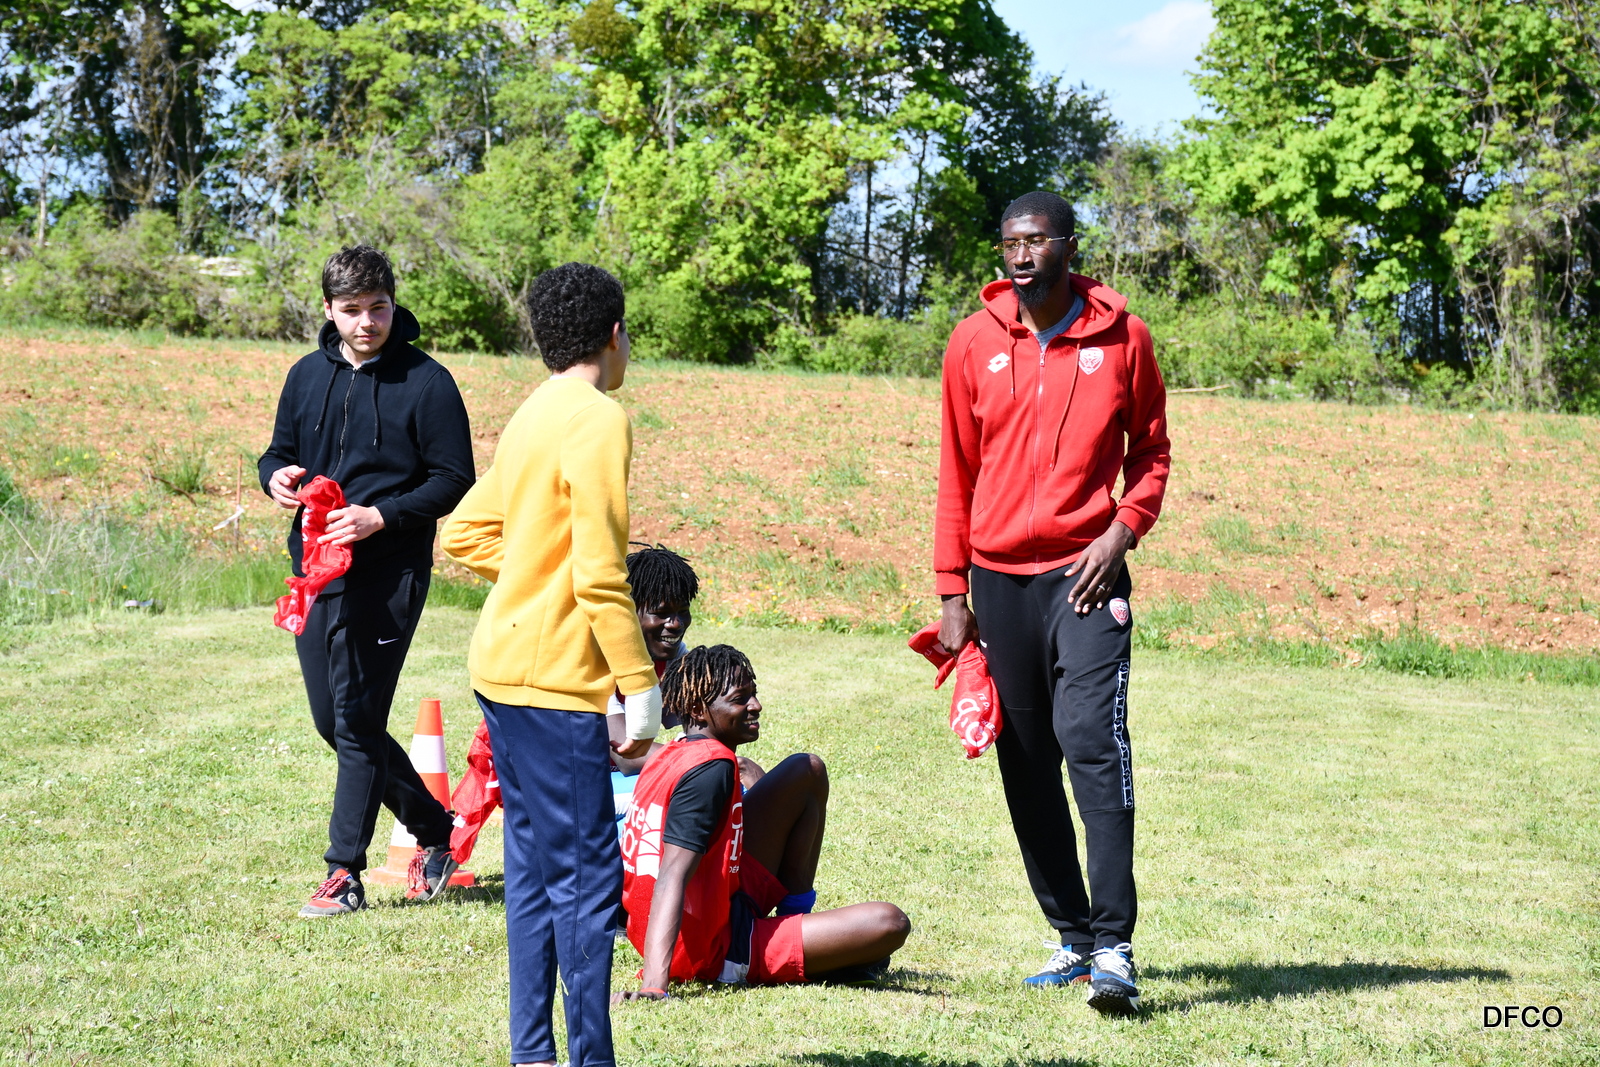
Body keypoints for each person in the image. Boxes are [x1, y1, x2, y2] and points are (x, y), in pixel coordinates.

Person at [932, 190, 1170, 1015]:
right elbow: (956, 470)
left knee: (1092, 742)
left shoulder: (1125, 338)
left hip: (1086, 576)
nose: (1022, 255)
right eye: (1010, 243)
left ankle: (1115, 946)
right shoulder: (972, 342)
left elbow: (1152, 454)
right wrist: (951, 588)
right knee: (1026, 759)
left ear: (1069, 246)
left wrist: (1121, 532)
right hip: (998, 583)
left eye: (1036, 240)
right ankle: (1071, 934)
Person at [440, 262, 661, 1067]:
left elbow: (463, 531)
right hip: (556, 684)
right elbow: (600, 573)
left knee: (534, 873)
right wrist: (641, 686)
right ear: (614, 335)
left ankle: (532, 1054)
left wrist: (533, 573)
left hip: (501, 671)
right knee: (587, 884)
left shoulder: (535, 408)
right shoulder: (598, 417)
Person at [258, 245, 475, 918]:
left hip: (389, 574)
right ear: (329, 309)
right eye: (351, 310)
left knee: (358, 718)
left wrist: (381, 516)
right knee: (334, 721)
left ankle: (342, 873)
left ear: (392, 303)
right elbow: (278, 452)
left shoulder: (428, 382)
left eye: (378, 308)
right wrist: (274, 477)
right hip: (315, 571)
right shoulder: (305, 375)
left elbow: (454, 479)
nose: (367, 323)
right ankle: (436, 829)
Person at [613, 645, 910, 998]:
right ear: (697, 710)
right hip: (707, 948)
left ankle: (794, 921)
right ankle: (787, 951)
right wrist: (654, 985)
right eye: (740, 699)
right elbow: (671, 875)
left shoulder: (675, 753)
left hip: (710, 905)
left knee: (806, 770)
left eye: (753, 694)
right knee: (889, 923)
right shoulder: (710, 769)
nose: (756, 706)